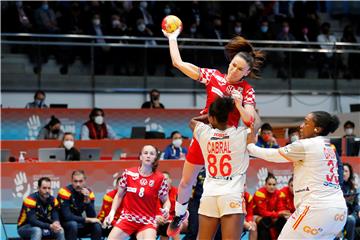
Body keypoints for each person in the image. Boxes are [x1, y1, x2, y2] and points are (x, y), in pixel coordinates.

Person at [163, 30, 263, 235]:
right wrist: (172, 38)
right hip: (204, 136)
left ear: (246, 72)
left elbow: (251, 121)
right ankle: (180, 214)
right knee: (185, 182)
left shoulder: (246, 90)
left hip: (226, 143)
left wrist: (238, 102)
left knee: (223, 187)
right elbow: (178, 63)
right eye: (233, 64)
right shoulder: (213, 76)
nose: (234, 70)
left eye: (240, 69)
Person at [247, 111, 348, 239]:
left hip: (316, 209)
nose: (301, 126)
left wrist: (250, 146)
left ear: (317, 129)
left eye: (306, 122)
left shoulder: (306, 145)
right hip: (339, 211)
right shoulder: (329, 146)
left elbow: (273, 155)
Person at [168, 97, 251, 239]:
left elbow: (192, 122)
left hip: (209, 195)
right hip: (232, 194)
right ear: (229, 115)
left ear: (212, 118)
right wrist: (238, 105)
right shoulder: (241, 135)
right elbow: (254, 122)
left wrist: (211, 115)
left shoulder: (204, 133)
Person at [104, 145, 171, 240]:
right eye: (145, 153)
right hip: (127, 218)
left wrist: (166, 209)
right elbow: (119, 195)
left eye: (152, 154)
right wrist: (112, 212)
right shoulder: (128, 173)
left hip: (147, 221)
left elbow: (166, 200)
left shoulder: (160, 178)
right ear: (140, 156)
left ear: (155, 158)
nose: (148, 156)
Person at [57, 170, 102, 240]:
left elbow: (92, 216)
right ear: (72, 181)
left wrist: (87, 201)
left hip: (79, 223)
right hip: (64, 224)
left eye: (80, 181)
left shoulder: (89, 193)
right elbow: (67, 216)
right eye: (75, 181)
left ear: (85, 181)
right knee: (73, 224)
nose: (78, 184)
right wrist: (87, 219)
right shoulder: (64, 192)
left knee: (96, 225)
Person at [253, 173, 289, 240]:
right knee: (265, 222)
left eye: (274, 184)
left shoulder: (279, 193)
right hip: (256, 215)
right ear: (265, 185)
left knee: (282, 221)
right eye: (269, 184)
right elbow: (262, 212)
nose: (272, 187)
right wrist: (277, 214)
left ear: (276, 185)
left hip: (270, 215)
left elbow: (280, 209)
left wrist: (277, 215)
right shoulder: (260, 193)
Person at [156, 171, 184, 240]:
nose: (164, 182)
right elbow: (156, 211)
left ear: (170, 180)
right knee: (165, 226)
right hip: (160, 220)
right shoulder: (155, 193)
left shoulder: (177, 192)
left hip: (175, 219)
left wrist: (171, 220)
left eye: (166, 179)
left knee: (174, 225)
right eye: (161, 180)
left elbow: (181, 211)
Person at [342, 163, 359, 240]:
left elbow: (355, 204)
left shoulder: (352, 187)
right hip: (341, 214)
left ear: (350, 173)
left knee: (352, 218)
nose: (344, 173)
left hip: (352, 213)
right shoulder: (336, 186)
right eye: (342, 170)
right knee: (351, 220)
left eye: (346, 171)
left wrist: (359, 210)